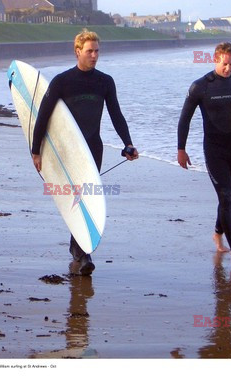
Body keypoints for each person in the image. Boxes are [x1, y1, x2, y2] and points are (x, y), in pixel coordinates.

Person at [31, 29, 139, 276]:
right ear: (78, 51)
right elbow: (43, 117)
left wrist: (128, 143)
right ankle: (83, 253)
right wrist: (36, 151)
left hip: (93, 147)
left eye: (97, 50)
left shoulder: (105, 81)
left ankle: (79, 249)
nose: (94, 55)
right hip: (68, 150)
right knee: (78, 197)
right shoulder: (62, 81)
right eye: (89, 51)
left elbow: (116, 115)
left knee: (86, 197)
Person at [177, 42, 231, 267]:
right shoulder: (201, 86)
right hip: (214, 149)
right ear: (215, 60)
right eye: (224, 64)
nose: (228, 68)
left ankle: (217, 232)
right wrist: (181, 149)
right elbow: (185, 119)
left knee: (228, 197)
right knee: (226, 197)